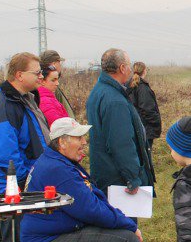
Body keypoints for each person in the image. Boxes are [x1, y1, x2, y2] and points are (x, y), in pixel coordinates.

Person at [22, 117, 155, 242]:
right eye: (78, 138)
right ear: (61, 142)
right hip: (47, 239)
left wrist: (122, 221)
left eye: (83, 137)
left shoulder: (60, 161)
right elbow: (91, 210)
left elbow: (93, 198)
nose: (84, 142)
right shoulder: (58, 169)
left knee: (121, 237)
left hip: (58, 231)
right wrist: (129, 225)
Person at [0, 52, 52, 242]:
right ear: (18, 75)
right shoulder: (4, 104)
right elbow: (5, 156)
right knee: (12, 240)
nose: (41, 76)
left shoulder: (26, 98)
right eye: (36, 72)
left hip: (30, 180)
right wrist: (26, 180)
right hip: (12, 185)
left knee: (35, 233)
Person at [87, 48, 156, 193]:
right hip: (117, 180)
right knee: (122, 216)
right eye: (129, 65)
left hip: (103, 172)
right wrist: (132, 178)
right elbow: (120, 143)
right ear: (122, 68)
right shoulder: (115, 101)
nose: (131, 69)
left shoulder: (99, 90)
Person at [127, 61, 162, 152]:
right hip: (145, 128)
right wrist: (156, 122)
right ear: (144, 71)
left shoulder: (130, 85)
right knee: (145, 154)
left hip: (135, 126)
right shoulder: (142, 88)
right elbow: (148, 110)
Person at [39, 49, 76, 120]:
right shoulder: (48, 89)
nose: (57, 83)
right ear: (54, 64)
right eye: (59, 62)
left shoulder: (46, 85)